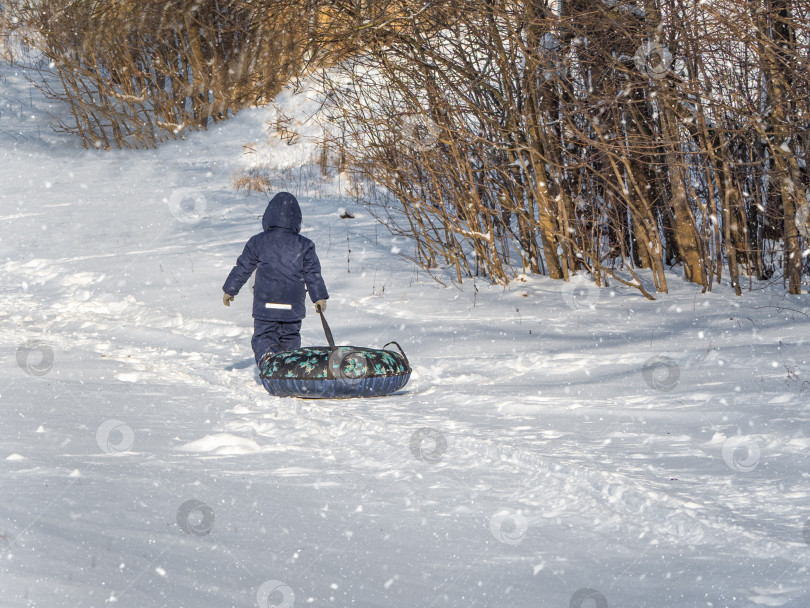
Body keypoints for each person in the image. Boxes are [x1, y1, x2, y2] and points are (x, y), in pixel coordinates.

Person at [222, 192, 328, 365]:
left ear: (268, 217)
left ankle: (268, 358)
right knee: (290, 336)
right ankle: (289, 367)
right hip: (292, 304)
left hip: (266, 303)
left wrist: (230, 289)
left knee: (264, 335)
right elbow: (312, 273)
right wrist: (319, 297)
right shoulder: (305, 244)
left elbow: (243, 267)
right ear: (297, 219)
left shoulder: (258, 241)